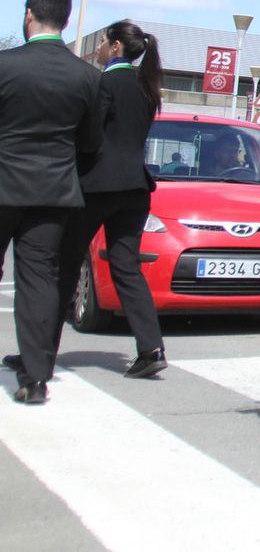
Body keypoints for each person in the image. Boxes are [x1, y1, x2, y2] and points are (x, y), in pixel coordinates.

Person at [0, 0, 102, 404]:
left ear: (29, 15)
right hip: (54, 189)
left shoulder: (5, 66)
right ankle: (37, 376)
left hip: (3, 183)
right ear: (64, 19)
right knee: (40, 278)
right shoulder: (87, 77)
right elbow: (91, 141)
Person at [52, 21, 168, 380]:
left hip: (97, 187)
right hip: (135, 189)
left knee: (65, 265)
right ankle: (151, 347)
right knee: (126, 268)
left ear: (115, 46)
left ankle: (39, 350)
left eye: (101, 43)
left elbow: (90, 138)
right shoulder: (147, 87)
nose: (99, 49)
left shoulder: (104, 84)